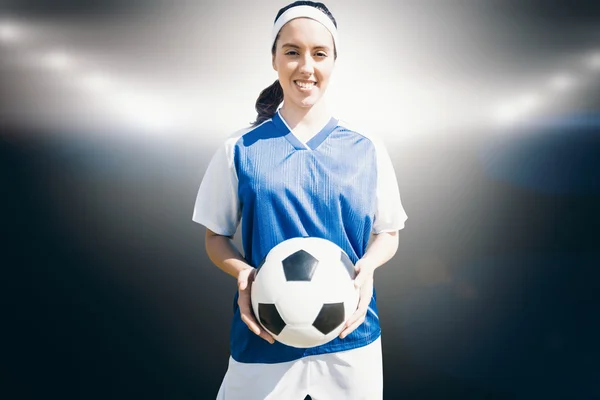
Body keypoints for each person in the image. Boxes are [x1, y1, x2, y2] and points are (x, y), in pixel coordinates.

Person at [192, 2, 407, 399]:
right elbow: (215, 237)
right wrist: (243, 273)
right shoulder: (239, 149)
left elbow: (388, 232)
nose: (306, 67)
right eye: (292, 51)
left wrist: (368, 268)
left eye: (319, 53)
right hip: (264, 334)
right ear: (274, 59)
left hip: (349, 338)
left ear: (334, 62)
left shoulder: (367, 148)